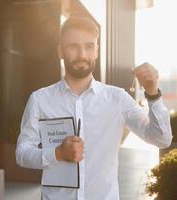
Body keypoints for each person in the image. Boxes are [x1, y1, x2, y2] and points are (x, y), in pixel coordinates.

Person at [15, 17, 173, 200]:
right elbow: (22, 153)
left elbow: (162, 140)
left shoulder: (118, 98)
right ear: (60, 51)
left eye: (89, 46)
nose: (82, 54)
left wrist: (153, 94)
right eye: (73, 46)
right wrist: (57, 153)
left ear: (97, 50)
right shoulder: (40, 99)